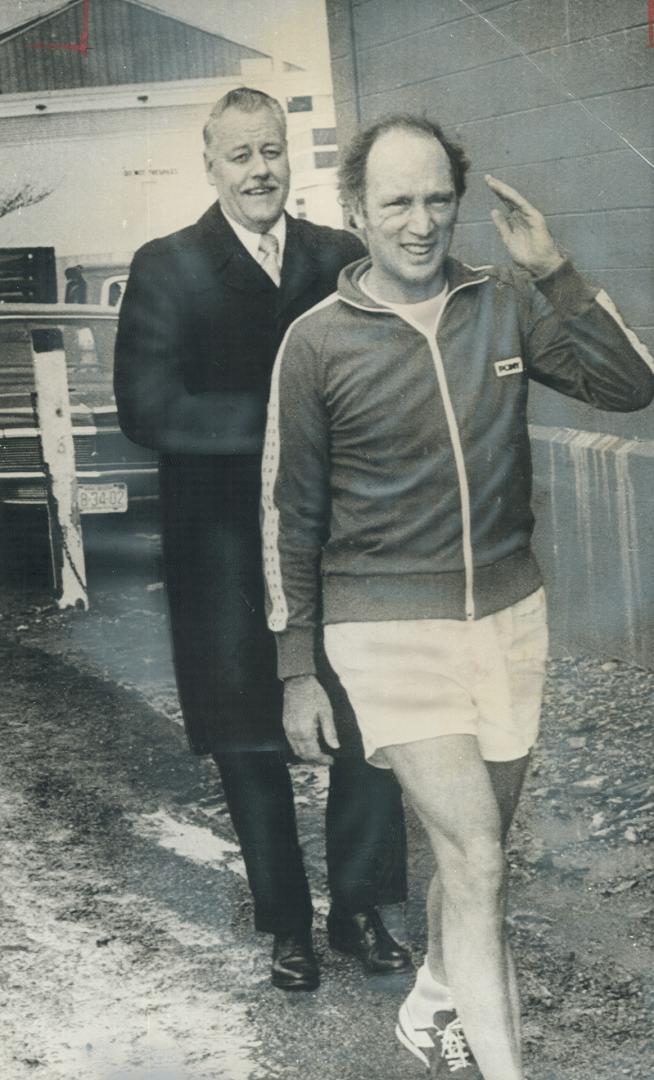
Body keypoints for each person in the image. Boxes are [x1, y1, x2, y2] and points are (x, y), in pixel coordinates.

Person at [261, 114, 653, 1075]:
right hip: (384, 629)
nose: (421, 222)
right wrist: (296, 670)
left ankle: (435, 996)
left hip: (509, 618)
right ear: (355, 210)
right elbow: (289, 517)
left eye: (439, 199)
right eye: (396, 201)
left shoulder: (504, 304)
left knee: (473, 851)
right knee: (476, 856)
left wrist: (555, 269)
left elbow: (632, 386)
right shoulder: (315, 345)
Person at [114, 88, 410, 994]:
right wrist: (288, 426)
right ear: (210, 165)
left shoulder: (340, 257)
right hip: (222, 549)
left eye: (273, 150)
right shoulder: (167, 266)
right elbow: (149, 410)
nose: (261, 170)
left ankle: (359, 909)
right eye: (240, 154)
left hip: (342, 539)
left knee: (365, 721)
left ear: (292, 158)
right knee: (249, 735)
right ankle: (288, 924)